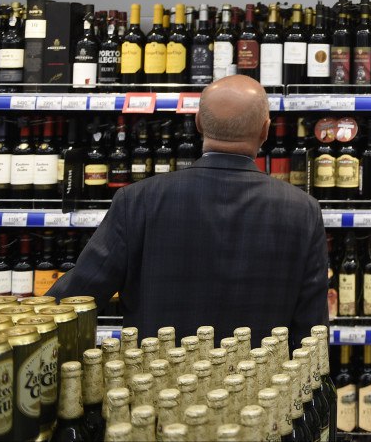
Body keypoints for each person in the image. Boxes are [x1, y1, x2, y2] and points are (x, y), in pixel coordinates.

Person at [49, 75, 327, 346]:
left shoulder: (137, 200)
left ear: (198, 123)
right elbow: (312, 336)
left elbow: (72, 303)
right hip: (261, 376)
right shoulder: (303, 211)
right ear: (266, 130)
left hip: (157, 374)